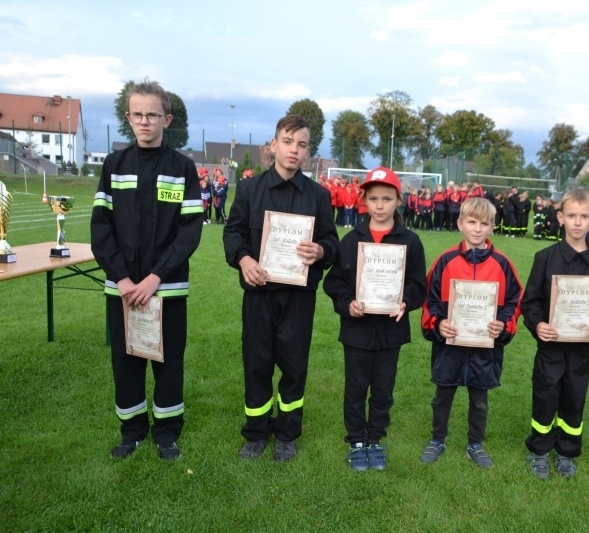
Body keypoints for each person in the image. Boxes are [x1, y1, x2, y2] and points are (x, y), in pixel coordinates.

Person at [90, 78, 204, 460]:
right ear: (128, 117)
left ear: (166, 119)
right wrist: (122, 279)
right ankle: (132, 430)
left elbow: (189, 232)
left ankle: (167, 432)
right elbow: (101, 228)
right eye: (137, 114)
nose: (144, 121)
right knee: (126, 361)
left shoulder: (183, 168)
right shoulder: (114, 165)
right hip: (122, 289)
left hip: (166, 289)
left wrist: (155, 277)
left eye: (152, 114)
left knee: (168, 360)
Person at [222, 115, 339, 461]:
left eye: (301, 145)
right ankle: (256, 432)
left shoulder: (318, 196)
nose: (294, 150)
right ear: (273, 145)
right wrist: (244, 260)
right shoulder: (249, 190)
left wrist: (321, 251)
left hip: (298, 299)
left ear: (308, 152)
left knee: (294, 365)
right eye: (287, 142)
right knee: (257, 363)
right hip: (259, 295)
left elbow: (332, 242)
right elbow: (233, 235)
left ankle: (287, 433)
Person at [323, 167, 427, 471]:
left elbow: (419, 285)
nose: (380, 205)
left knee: (383, 389)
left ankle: (376, 438)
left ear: (398, 200)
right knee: (355, 388)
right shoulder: (352, 239)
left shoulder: (410, 241)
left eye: (386, 198)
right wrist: (347, 304)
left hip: (390, 332)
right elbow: (334, 282)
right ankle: (356, 440)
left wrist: (405, 301)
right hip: (356, 330)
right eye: (374, 199)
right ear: (364, 202)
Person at [419, 197, 523, 469]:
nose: (477, 228)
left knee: (480, 400)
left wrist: (503, 324)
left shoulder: (502, 264)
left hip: (485, 348)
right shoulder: (445, 261)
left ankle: (475, 443)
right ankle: (437, 439)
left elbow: (516, 300)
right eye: (472, 222)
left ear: (492, 227)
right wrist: (438, 323)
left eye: (484, 223)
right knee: (442, 396)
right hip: (449, 346)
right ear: (460, 224)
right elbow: (428, 298)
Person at [520, 187, 589, 479]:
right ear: (560, 217)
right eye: (571, 215)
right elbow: (531, 302)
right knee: (545, 396)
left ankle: (567, 452)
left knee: (574, 400)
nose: (577, 222)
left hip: (581, 349)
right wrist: (538, 325)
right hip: (550, 347)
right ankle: (538, 450)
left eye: (584, 216)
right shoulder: (545, 257)